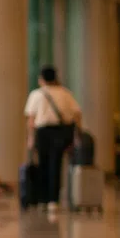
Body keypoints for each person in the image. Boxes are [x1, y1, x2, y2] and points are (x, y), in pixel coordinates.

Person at [22, 66, 81, 210]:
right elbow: (77, 114)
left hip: (42, 132)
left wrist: (30, 138)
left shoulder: (36, 94)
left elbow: (31, 120)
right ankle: (53, 200)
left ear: (41, 79)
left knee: (43, 163)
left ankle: (43, 198)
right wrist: (77, 134)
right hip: (61, 132)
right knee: (56, 163)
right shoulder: (65, 93)